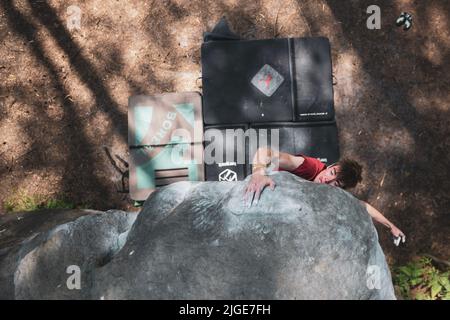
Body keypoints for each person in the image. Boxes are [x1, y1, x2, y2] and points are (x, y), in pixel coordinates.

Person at [243, 147, 406, 246]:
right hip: (261, 194)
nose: (327, 179)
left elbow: (361, 206)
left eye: (336, 184)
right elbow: (265, 152)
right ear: (332, 166)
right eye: (332, 172)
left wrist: (390, 225)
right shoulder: (310, 167)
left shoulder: (331, 195)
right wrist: (258, 173)